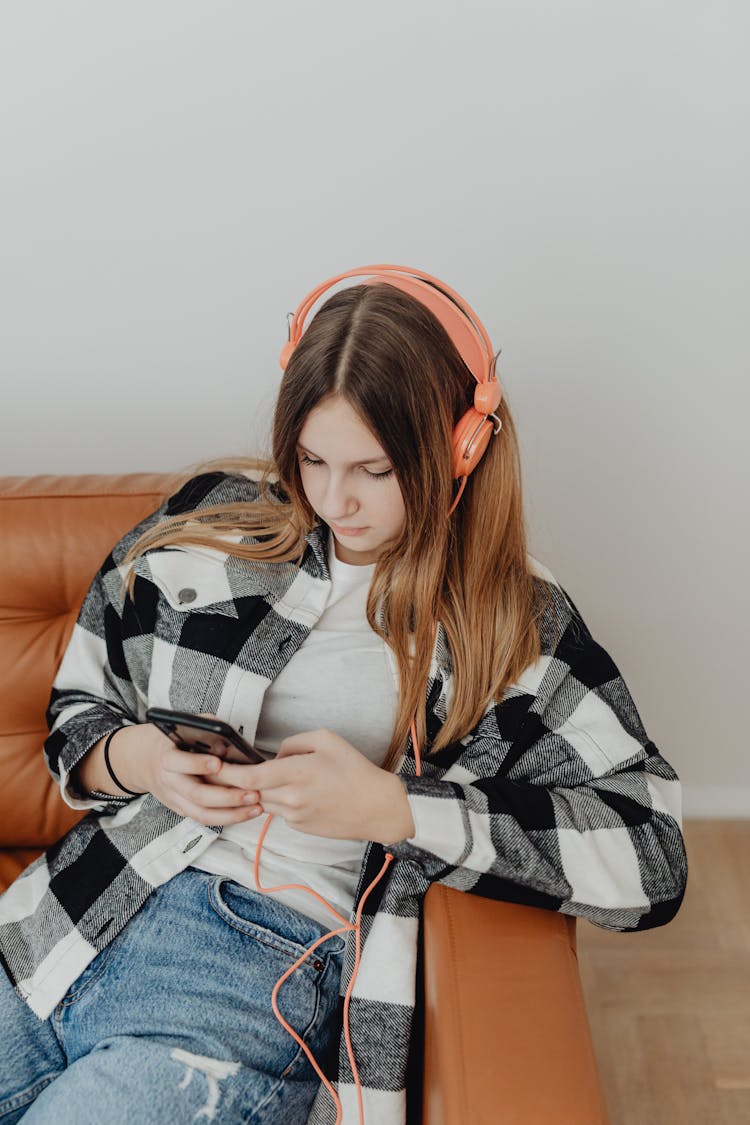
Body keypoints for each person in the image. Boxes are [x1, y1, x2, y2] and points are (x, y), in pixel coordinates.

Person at [0, 265, 688, 1125]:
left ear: (461, 448)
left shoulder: (512, 622)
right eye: (314, 458)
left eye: (375, 469)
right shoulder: (209, 523)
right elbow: (75, 716)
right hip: (63, 923)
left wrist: (395, 808)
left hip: (258, 976)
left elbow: (652, 853)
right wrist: (135, 758)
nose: (334, 498)